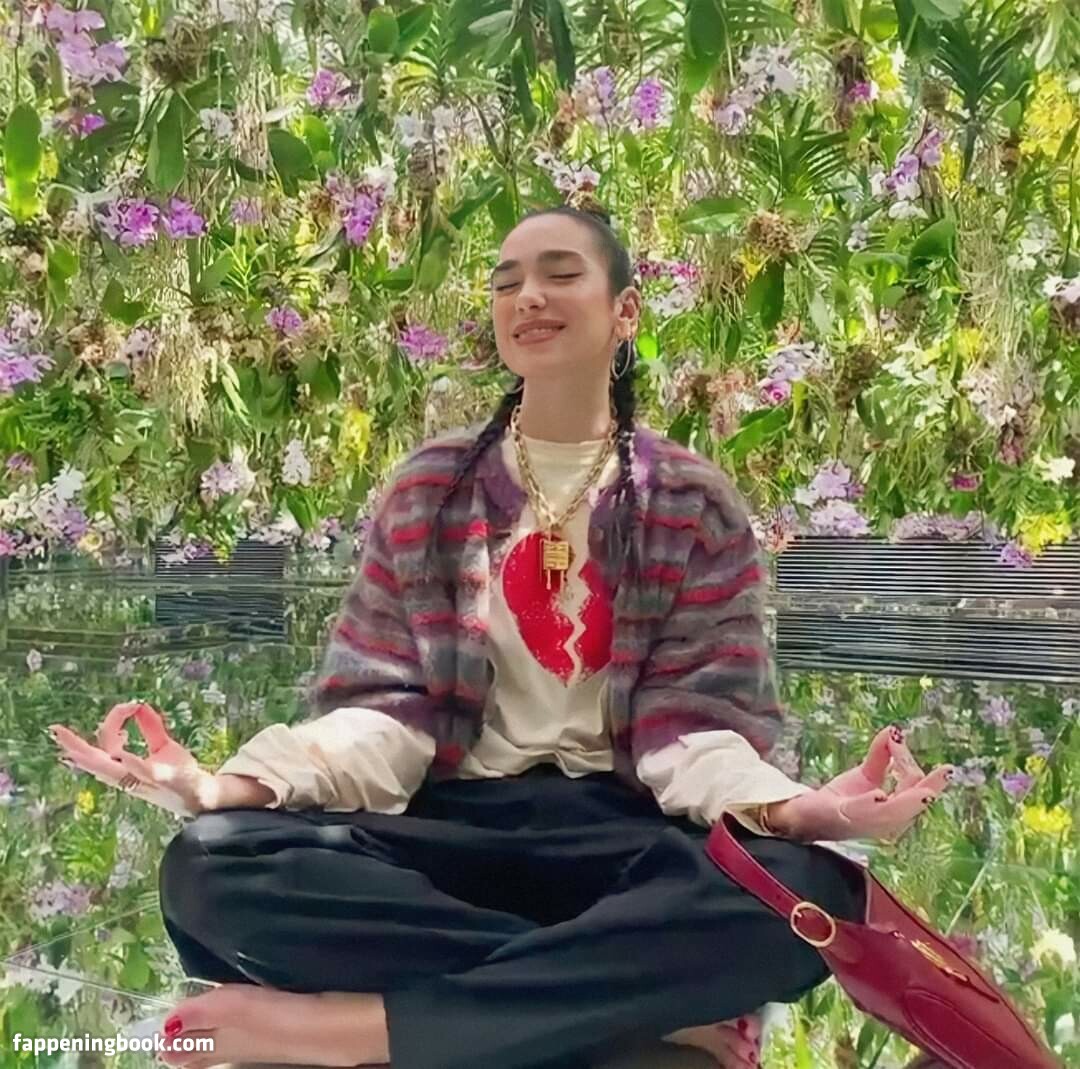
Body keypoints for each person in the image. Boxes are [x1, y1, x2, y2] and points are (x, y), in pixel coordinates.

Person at [50, 204, 953, 1069]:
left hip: (621, 840)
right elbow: (384, 716)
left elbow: (694, 732)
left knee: (808, 891)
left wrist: (797, 811)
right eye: (507, 281)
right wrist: (224, 784)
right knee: (211, 864)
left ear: (626, 312)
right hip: (448, 836)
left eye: (560, 274)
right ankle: (637, 1002)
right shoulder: (431, 489)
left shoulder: (692, 501)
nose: (529, 297)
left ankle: (356, 1029)